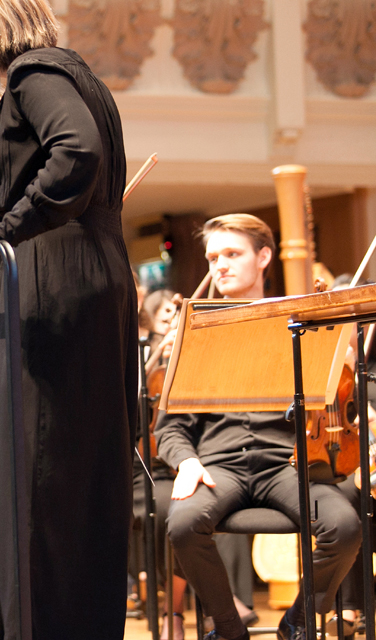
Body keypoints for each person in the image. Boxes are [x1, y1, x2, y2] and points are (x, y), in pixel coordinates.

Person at [0, 0, 139, 637]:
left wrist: (4, 226)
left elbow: (74, 152)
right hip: (89, 272)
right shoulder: (77, 76)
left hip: (57, 277)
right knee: (70, 477)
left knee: (44, 474)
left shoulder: (34, 76)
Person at [156, 213, 361, 640]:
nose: (220, 266)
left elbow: (333, 401)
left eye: (232, 254)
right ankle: (229, 629)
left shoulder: (300, 327)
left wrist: (336, 358)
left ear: (263, 256)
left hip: (287, 465)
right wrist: (187, 462)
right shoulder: (198, 334)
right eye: (214, 257)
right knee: (181, 524)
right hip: (218, 467)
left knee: (344, 526)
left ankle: (299, 621)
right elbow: (170, 427)